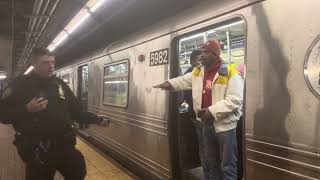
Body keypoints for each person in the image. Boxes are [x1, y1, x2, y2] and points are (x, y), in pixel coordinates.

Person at [0, 48, 106, 180]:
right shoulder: (19, 85)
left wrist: (96, 119)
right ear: (34, 64)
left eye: (52, 62)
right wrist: (26, 109)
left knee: (78, 172)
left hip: (65, 145)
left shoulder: (59, 84)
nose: (50, 66)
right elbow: (3, 114)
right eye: (45, 62)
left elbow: (76, 111)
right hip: (38, 150)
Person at [154, 40, 244, 180]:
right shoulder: (198, 71)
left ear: (215, 55)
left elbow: (235, 100)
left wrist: (211, 111)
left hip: (225, 127)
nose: (202, 55)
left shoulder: (231, 73)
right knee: (211, 162)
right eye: (201, 52)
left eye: (206, 52)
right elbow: (183, 80)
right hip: (206, 125)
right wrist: (169, 84)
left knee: (228, 165)